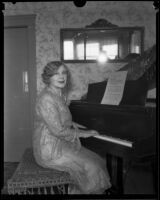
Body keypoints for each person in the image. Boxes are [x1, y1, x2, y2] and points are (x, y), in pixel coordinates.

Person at [33, 61, 111, 194]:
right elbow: (58, 130)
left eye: (63, 73)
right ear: (48, 78)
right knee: (93, 165)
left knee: (97, 159)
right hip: (50, 148)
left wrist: (75, 125)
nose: (61, 76)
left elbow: (62, 119)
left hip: (60, 142)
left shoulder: (59, 94)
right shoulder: (46, 99)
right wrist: (83, 133)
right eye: (55, 74)